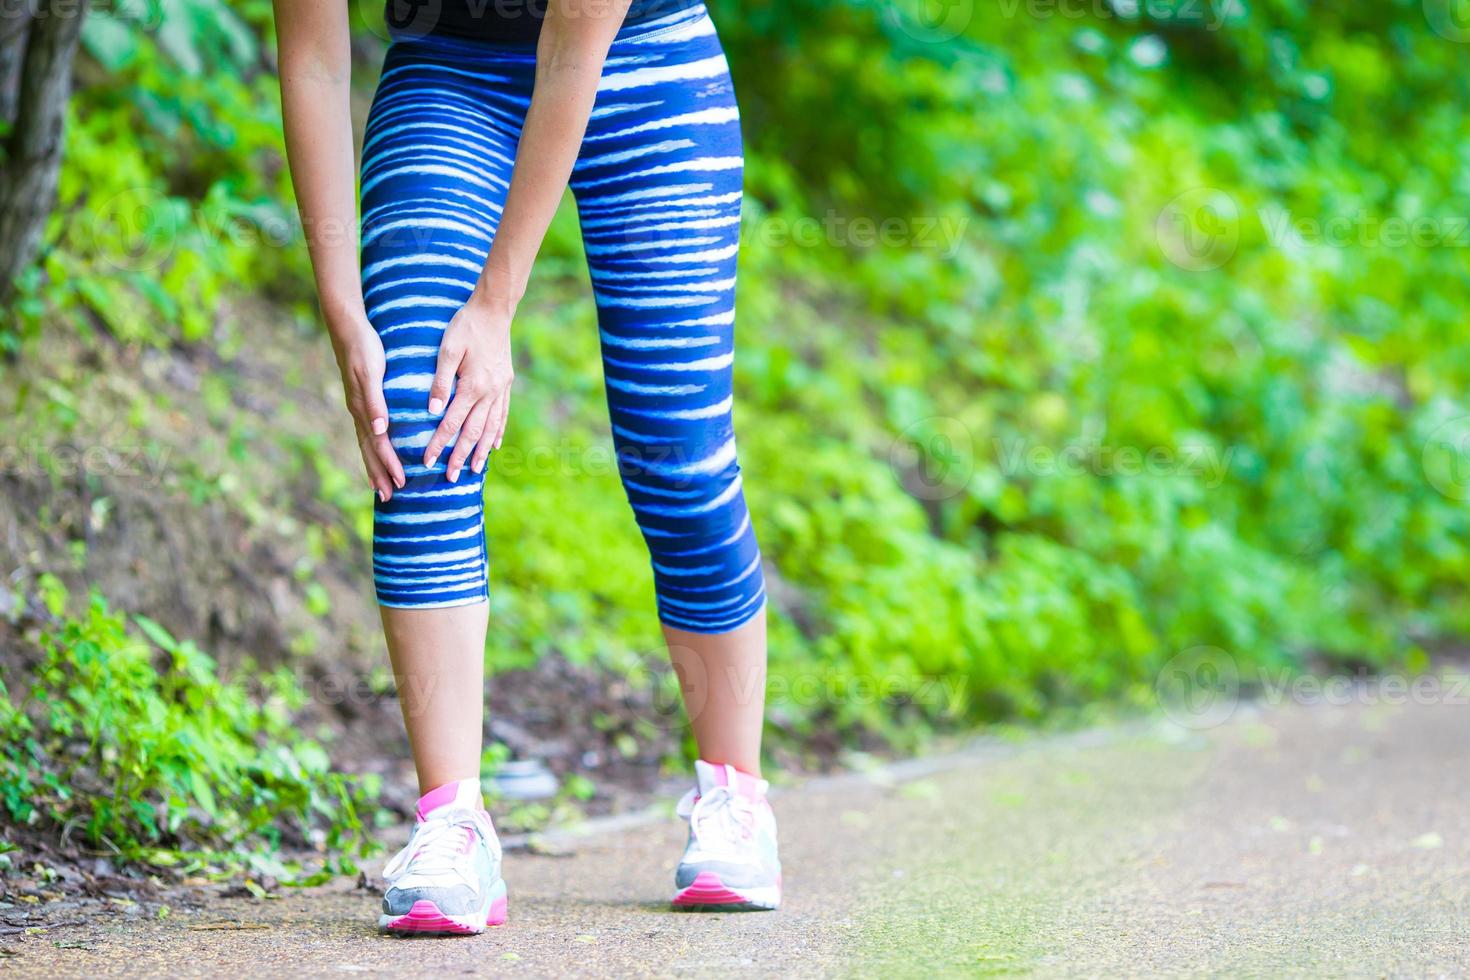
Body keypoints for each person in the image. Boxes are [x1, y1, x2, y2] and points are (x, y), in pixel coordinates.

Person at [272, 0, 780, 934]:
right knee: (416, 430)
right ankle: (451, 821)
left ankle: (734, 794)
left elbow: (573, 38)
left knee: (680, 455)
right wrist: (342, 306)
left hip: (644, 62)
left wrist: (496, 303)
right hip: (448, 73)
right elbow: (311, 56)